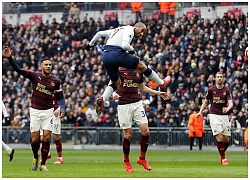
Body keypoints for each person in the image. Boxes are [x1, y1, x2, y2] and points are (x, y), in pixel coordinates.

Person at [84, 22, 171, 115]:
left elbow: (99, 34)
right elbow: (125, 45)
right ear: (136, 27)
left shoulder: (116, 31)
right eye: (142, 31)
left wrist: (90, 44)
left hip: (106, 56)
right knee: (142, 66)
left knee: (116, 83)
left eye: (144, 33)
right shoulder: (129, 29)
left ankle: (102, 98)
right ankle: (161, 83)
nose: (142, 34)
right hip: (116, 53)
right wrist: (132, 50)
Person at [4, 46, 66, 172]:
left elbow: (61, 97)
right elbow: (19, 69)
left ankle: (43, 164)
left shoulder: (56, 81)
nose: (48, 66)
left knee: (47, 138)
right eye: (46, 65)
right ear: (41, 67)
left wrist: (62, 109)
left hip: (48, 112)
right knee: (35, 140)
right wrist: (10, 58)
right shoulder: (34, 76)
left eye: (50, 65)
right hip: (35, 111)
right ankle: (35, 156)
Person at [112, 67, 169, 172]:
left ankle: (142, 159)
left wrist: (157, 93)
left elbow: (142, 87)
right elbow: (110, 87)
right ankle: (127, 161)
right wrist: (114, 94)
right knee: (128, 135)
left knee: (146, 131)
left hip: (137, 103)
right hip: (124, 105)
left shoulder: (138, 71)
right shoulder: (118, 71)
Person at [196, 72, 233, 166]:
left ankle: (221, 154)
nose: (219, 78)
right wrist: (200, 112)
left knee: (227, 139)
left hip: (224, 116)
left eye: (221, 77)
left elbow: (231, 103)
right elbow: (206, 102)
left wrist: (228, 108)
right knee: (219, 136)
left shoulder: (227, 90)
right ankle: (224, 158)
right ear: (215, 79)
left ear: (223, 78)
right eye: (218, 77)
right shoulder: (211, 90)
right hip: (214, 115)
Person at [40, 93, 64, 164]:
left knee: (56, 136)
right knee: (43, 136)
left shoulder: (56, 89)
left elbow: (62, 100)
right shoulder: (43, 90)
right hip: (45, 115)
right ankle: (48, 154)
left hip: (55, 116)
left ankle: (60, 158)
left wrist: (60, 110)